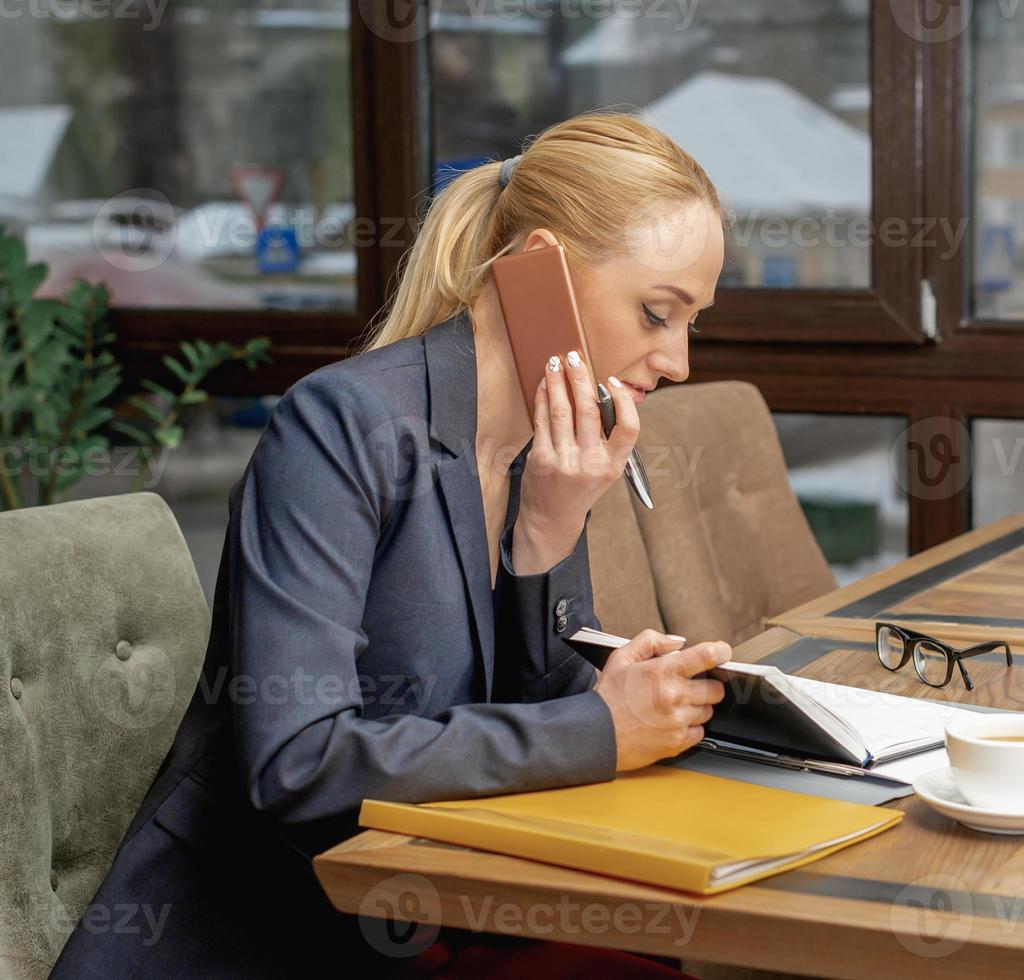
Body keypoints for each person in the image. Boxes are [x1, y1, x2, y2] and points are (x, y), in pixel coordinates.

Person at [52, 110, 732, 977]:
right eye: (656, 312)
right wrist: (602, 724)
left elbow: (537, 717)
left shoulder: (545, 453)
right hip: (266, 937)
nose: (676, 361)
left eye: (690, 323)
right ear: (540, 270)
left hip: (438, 914)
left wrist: (547, 534)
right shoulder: (340, 429)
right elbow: (299, 766)